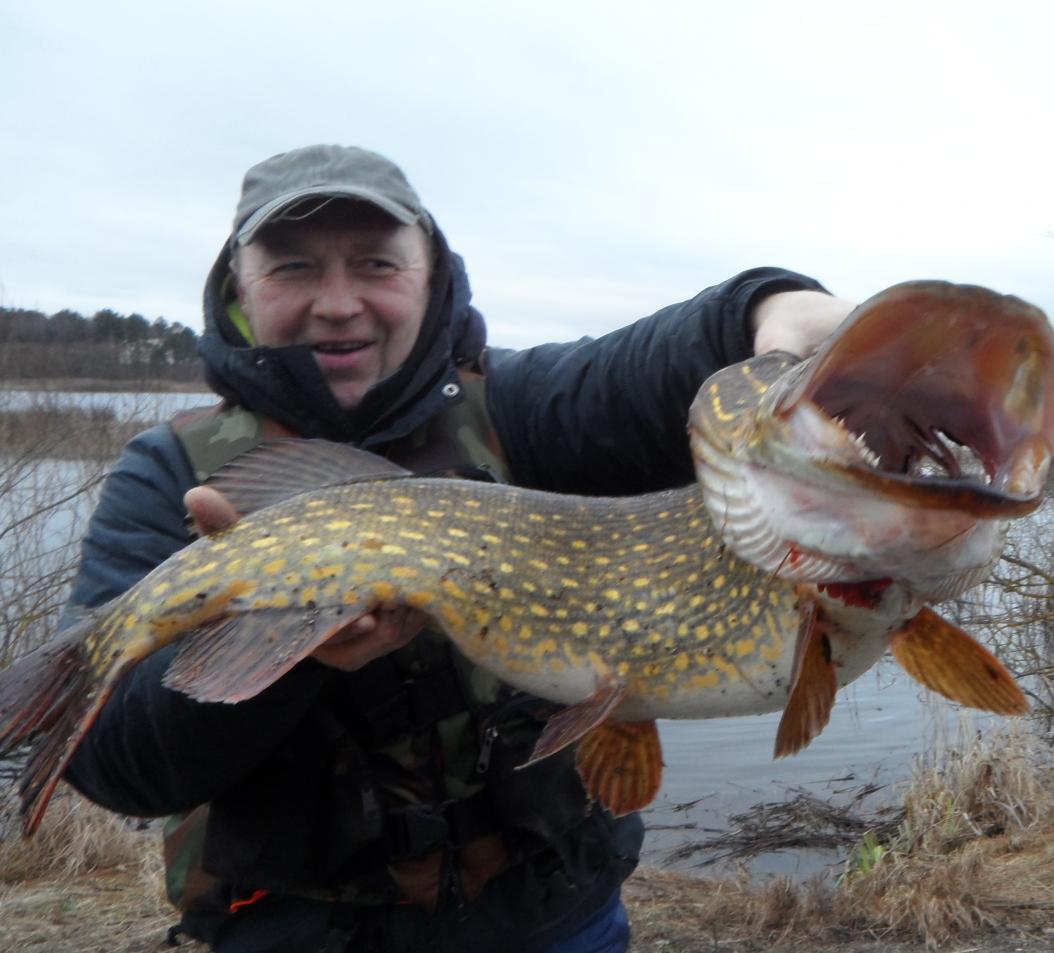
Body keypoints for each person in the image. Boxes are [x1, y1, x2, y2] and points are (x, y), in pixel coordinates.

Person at [60, 144, 855, 953]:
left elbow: (645, 369)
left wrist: (766, 309)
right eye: (293, 267)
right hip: (298, 934)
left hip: (551, 915)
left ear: (431, 272)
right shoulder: (169, 472)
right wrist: (284, 649)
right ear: (239, 285)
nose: (338, 304)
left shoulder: (518, 409)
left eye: (376, 263)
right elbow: (110, 764)